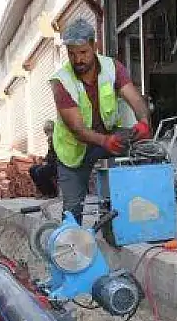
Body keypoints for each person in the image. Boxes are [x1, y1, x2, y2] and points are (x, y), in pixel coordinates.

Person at [49, 17, 151, 225]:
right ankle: (72, 246)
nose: (78, 60)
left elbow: (134, 98)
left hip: (107, 136)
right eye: (72, 54)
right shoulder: (61, 81)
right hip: (74, 148)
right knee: (73, 209)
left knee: (138, 159)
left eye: (83, 52)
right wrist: (105, 141)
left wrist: (144, 122)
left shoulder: (112, 67)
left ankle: (119, 227)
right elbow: (78, 129)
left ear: (94, 46)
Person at [29, 120, 59, 198]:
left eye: (47, 131)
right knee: (32, 169)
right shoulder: (50, 140)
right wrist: (44, 159)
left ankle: (52, 192)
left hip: (57, 164)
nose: (46, 134)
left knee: (41, 171)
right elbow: (50, 153)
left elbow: (56, 154)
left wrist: (47, 161)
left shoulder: (57, 139)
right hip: (50, 162)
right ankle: (44, 192)